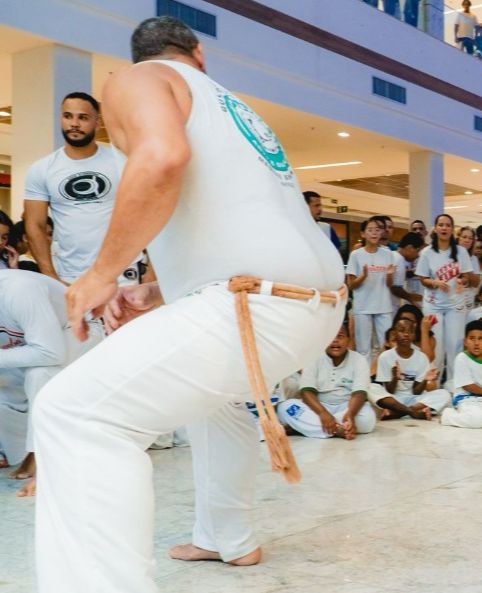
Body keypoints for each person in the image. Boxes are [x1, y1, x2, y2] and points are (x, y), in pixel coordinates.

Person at [32, 17, 346, 592]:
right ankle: (227, 536)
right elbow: (225, 214)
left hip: (255, 305)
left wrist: (101, 273)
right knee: (217, 405)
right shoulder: (232, 105)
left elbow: (163, 157)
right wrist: (155, 290)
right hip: (310, 303)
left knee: (74, 413)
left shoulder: (140, 77)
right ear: (200, 54)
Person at [23, 92, 144, 285]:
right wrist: (50, 276)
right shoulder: (42, 169)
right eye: (68, 116)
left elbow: (145, 215)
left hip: (122, 273)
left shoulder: (121, 162)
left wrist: (151, 271)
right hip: (70, 276)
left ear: (97, 123)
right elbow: (34, 225)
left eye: (83, 118)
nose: (74, 124)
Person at [0, 270, 102, 498]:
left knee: (40, 374)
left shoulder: (18, 290)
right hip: (34, 346)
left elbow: (50, 352)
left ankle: (42, 460)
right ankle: (28, 452)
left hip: (80, 331)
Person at [278, 324, 375, 439]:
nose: (335, 340)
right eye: (331, 337)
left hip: (346, 407)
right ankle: (338, 430)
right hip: (318, 407)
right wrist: (322, 413)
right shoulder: (313, 357)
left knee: (368, 419)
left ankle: (305, 427)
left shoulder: (359, 360)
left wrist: (351, 414)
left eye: (340, 336)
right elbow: (306, 392)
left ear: (349, 340)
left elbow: (360, 393)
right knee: (285, 407)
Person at [416, 213, 476, 386]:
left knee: (455, 347)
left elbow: (467, 277)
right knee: (438, 347)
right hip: (433, 306)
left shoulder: (461, 252)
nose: (444, 228)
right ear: (435, 228)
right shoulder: (427, 252)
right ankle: (434, 385)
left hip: (455, 306)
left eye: (448, 225)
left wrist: (462, 280)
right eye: (441, 225)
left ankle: (454, 386)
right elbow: (422, 279)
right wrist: (434, 282)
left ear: (452, 229)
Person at [368, 318, 450, 419]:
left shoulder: (421, 357)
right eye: (402, 330)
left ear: (414, 335)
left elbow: (416, 392)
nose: (406, 334)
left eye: (410, 331)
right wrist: (394, 378)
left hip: (414, 399)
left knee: (444, 394)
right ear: (394, 334)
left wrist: (425, 380)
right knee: (371, 388)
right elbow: (389, 391)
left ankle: (398, 413)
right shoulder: (385, 356)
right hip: (393, 399)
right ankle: (413, 412)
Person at [440, 320, 482, 429]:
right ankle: (448, 415)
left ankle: (477, 416)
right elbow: (467, 385)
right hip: (467, 398)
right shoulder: (462, 358)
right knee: (477, 420)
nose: (476, 343)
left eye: (481, 338)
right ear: (465, 341)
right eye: (472, 338)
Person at [346, 216, 396, 358]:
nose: (374, 233)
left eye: (377, 230)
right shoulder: (356, 255)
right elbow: (351, 284)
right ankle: (364, 379)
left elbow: (389, 285)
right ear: (363, 234)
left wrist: (390, 275)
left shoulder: (387, 254)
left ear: (381, 233)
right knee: (363, 349)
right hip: (363, 307)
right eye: (370, 230)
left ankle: (384, 379)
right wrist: (363, 276)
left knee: (386, 346)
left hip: (384, 306)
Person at [390, 231, 424, 306]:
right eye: (417, 251)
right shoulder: (399, 260)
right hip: (389, 306)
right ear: (410, 247)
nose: (418, 255)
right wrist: (410, 298)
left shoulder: (392, 255)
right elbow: (396, 288)